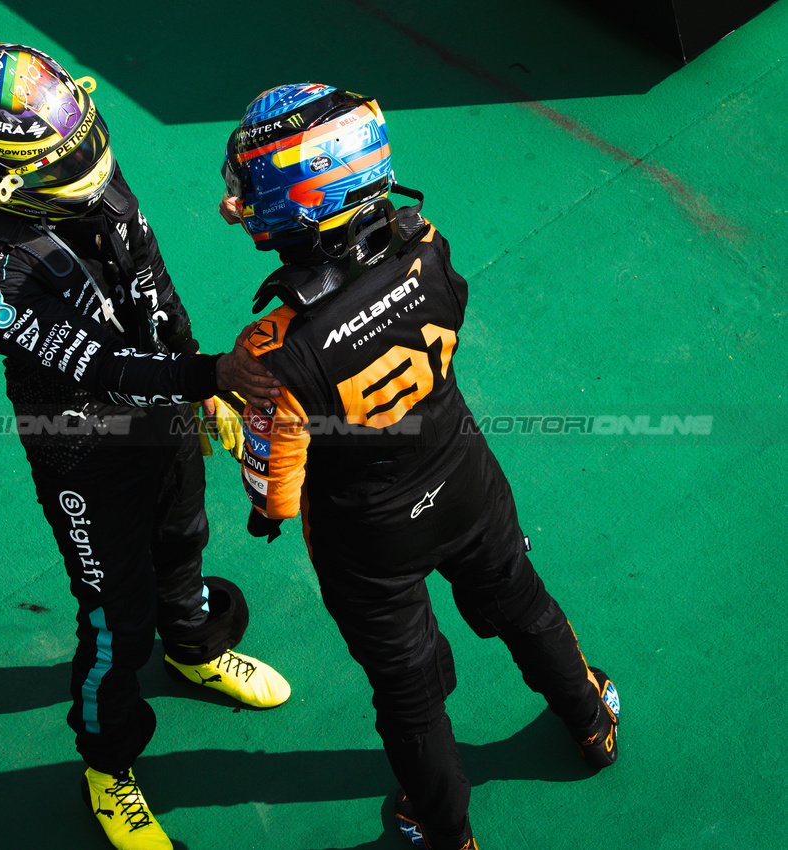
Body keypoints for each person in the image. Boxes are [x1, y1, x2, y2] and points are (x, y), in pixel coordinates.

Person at [218, 85, 621, 849]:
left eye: (251, 187)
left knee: (409, 698)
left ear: (295, 204)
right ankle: (592, 721)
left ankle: (445, 832)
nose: (238, 201)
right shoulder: (428, 249)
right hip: (466, 482)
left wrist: (240, 437)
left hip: (370, 544)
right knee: (523, 605)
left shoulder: (272, 348)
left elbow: (274, 498)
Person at [0, 41, 292, 850]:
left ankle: (192, 646)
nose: (89, 168)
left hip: (164, 406)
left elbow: (152, 280)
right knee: (113, 616)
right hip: (81, 451)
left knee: (185, 535)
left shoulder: (78, 163)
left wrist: (206, 383)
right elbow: (99, 362)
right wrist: (206, 375)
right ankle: (107, 763)